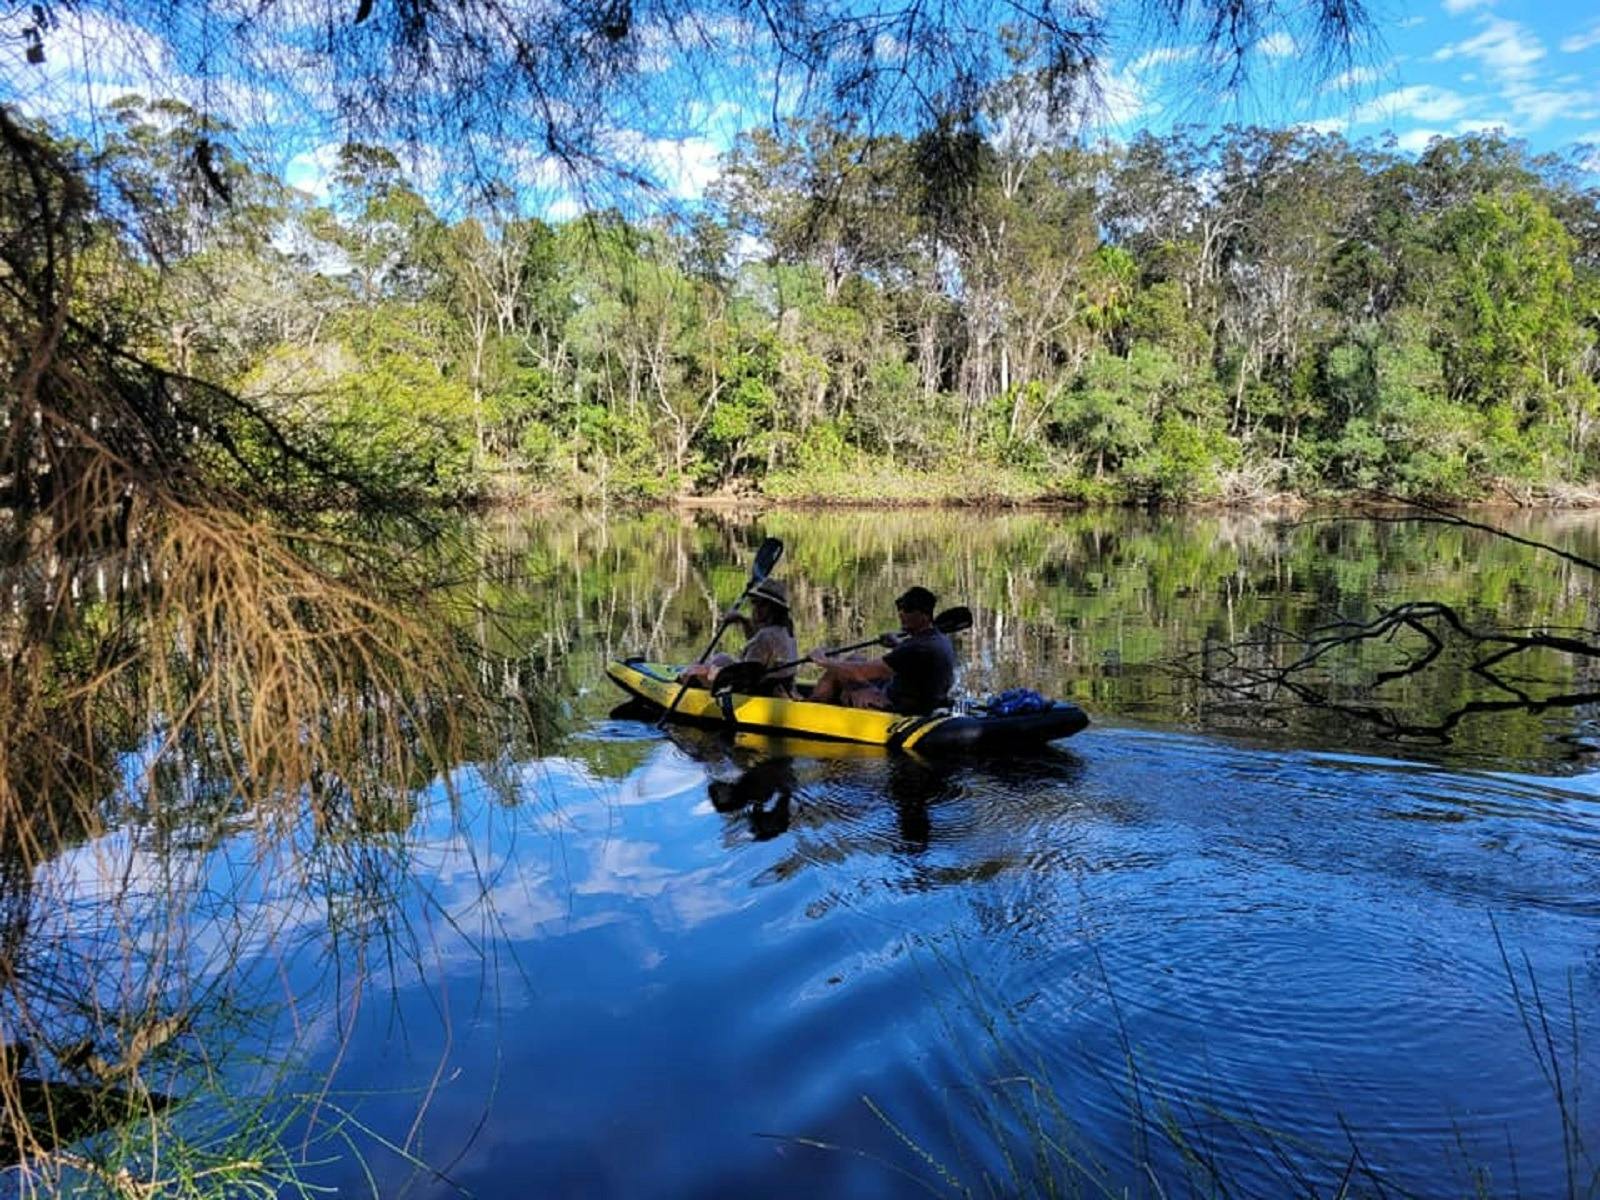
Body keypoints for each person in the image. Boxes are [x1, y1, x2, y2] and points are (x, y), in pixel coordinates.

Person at [808, 585, 956, 714]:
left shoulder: (915, 647)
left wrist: (824, 661)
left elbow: (859, 672)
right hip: (917, 699)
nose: (901, 613)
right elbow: (914, 659)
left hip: (896, 708)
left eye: (908, 609)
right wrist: (897, 643)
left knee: (837, 671)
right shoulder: (937, 639)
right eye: (900, 607)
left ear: (924, 615)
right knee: (855, 658)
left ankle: (810, 708)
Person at [676, 578, 799, 697]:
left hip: (758, 690)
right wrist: (742, 621)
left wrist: (711, 672)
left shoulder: (766, 635)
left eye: (761, 604)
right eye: (754, 602)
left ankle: (683, 682)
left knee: (701, 669)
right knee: (722, 658)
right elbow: (757, 648)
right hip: (775, 684)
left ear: (774, 609)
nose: (755, 608)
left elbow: (748, 675)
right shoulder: (786, 631)